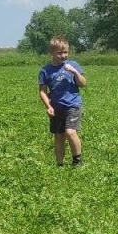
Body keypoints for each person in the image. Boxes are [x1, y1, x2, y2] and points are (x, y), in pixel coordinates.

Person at [38, 37, 85, 167]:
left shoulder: (73, 65)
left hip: (73, 105)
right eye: (59, 53)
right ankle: (60, 165)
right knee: (59, 136)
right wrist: (48, 106)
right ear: (51, 52)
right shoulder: (45, 71)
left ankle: (77, 161)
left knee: (70, 132)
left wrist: (74, 72)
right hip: (56, 107)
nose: (63, 56)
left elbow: (83, 84)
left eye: (66, 52)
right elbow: (42, 91)